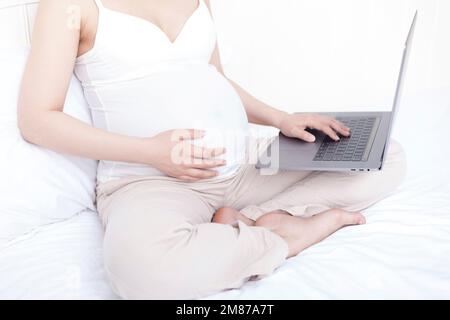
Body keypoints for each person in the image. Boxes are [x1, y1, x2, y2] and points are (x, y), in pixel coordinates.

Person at [18, 0, 406, 299]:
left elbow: (212, 78)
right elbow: (37, 118)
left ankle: (251, 220)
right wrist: (151, 151)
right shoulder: (70, 6)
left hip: (242, 167)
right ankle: (283, 237)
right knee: (138, 271)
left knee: (383, 156)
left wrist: (280, 118)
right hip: (149, 182)